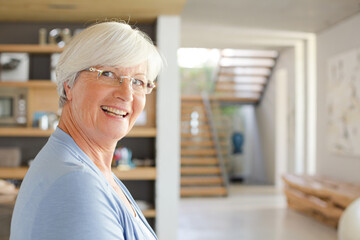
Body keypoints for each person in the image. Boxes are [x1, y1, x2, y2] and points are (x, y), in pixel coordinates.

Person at [10, 21, 163, 240]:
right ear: (69, 85)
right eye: (108, 74)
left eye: (138, 81)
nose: (127, 94)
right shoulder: (77, 184)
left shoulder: (89, 169)